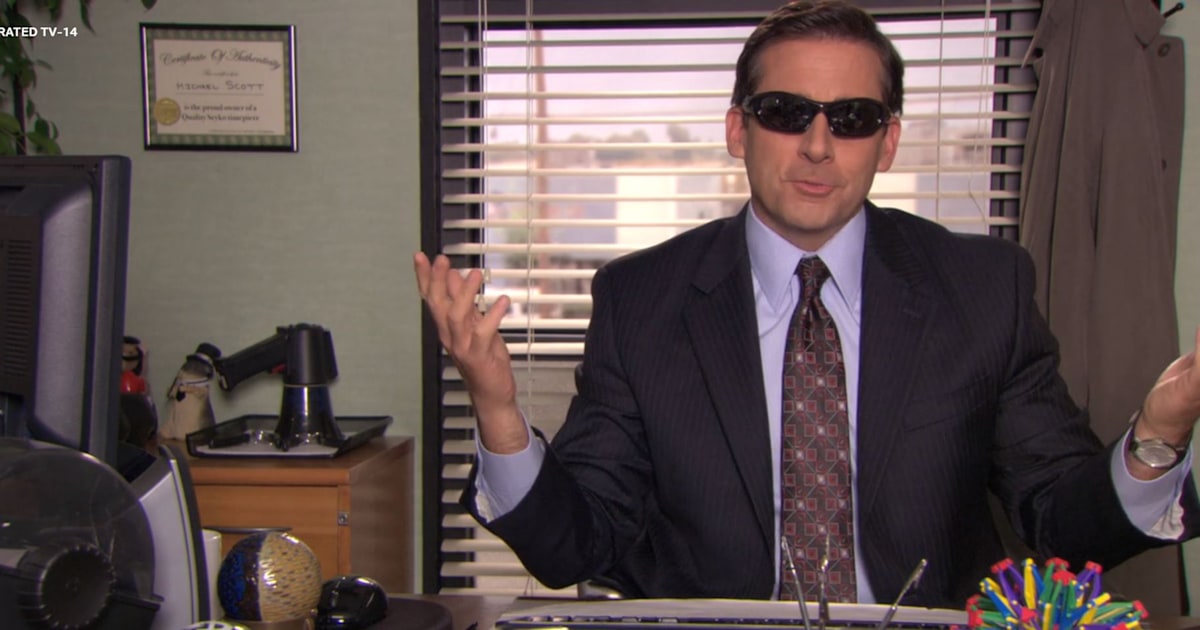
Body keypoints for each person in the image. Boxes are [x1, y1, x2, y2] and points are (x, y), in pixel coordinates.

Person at [414, 0, 1200, 608]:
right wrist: (498, 411)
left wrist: (1157, 438)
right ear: (738, 130)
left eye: (852, 119)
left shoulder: (984, 289)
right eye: (787, 113)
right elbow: (574, 549)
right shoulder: (640, 299)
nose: (819, 146)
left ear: (888, 142)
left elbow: (1062, 524)